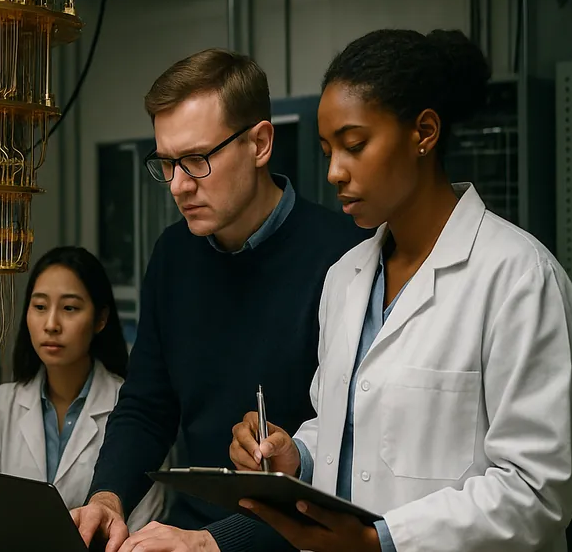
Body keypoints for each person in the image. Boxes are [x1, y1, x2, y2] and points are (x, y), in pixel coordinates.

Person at [230, 28, 572, 552]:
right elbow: (346, 429)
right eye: (328, 151)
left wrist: (383, 541)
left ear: (424, 132)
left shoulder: (519, 279)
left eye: (354, 146)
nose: (334, 172)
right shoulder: (345, 278)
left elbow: (535, 492)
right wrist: (295, 456)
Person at [72, 49, 370, 552]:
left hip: (301, 540)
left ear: (260, 143)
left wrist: (212, 542)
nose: (178, 185)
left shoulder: (345, 258)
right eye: (167, 163)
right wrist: (108, 497)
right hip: (188, 531)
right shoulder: (173, 255)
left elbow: (349, 465)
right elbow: (147, 405)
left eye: (196, 160)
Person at [0, 246, 164, 531]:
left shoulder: (137, 410)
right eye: (40, 307)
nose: (51, 324)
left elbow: (143, 527)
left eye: (69, 308)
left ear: (100, 319)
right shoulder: (3, 405)